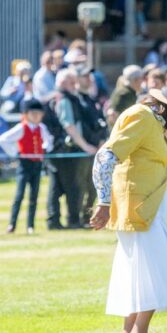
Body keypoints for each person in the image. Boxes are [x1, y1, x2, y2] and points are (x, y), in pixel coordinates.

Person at [90, 78, 167, 333]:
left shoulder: (153, 124)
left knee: (141, 275)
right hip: (139, 211)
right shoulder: (140, 116)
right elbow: (105, 157)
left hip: (152, 212)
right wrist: (103, 200)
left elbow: (161, 179)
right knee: (157, 273)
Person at [46, 69, 98, 230]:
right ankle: (73, 221)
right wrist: (85, 146)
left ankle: (53, 221)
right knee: (72, 187)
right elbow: (69, 126)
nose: (75, 85)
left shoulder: (59, 98)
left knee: (55, 187)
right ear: (62, 83)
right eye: (72, 81)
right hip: (66, 151)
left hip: (57, 149)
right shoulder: (64, 100)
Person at [0, 99, 53, 234]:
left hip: (37, 164)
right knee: (19, 195)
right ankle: (12, 224)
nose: (36, 116)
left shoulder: (42, 128)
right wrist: (15, 152)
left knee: (34, 196)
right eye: (33, 113)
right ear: (27, 114)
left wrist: (44, 149)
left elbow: (49, 141)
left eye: (38, 113)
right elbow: (2, 140)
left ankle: (30, 225)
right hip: (24, 164)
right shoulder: (22, 127)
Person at [76, 69, 108, 226]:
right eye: (85, 76)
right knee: (81, 185)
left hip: (96, 147)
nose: (89, 79)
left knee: (93, 186)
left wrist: (102, 139)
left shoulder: (90, 99)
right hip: (84, 149)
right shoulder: (78, 100)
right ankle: (78, 217)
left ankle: (87, 217)